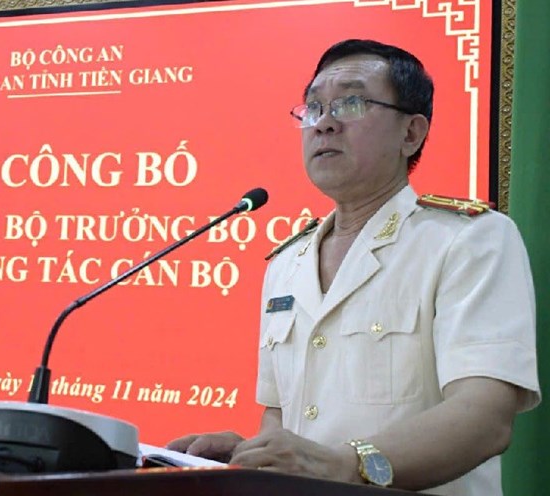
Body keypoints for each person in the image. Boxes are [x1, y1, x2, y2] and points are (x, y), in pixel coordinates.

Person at [167, 39, 540, 495]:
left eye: (351, 102)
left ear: (411, 134)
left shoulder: (470, 240)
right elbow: (285, 419)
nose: (323, 123)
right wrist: (250, 456)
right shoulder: (288, 263)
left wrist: (347, 465)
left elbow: (483, 419)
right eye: (313, 107)